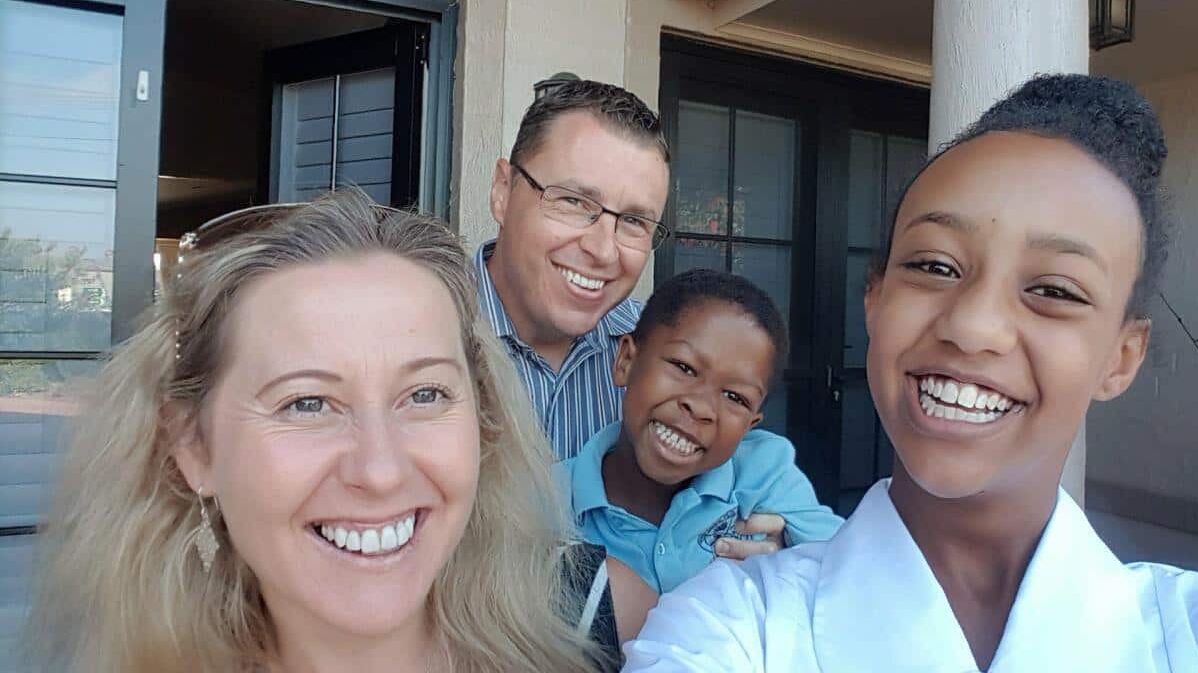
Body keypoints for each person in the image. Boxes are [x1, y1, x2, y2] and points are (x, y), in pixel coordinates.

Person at [622, 75, 1198, 672]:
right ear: (874, 298)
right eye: (935, 266)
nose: (973, 325)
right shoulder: (729, 625)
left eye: (1054, 289)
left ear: (1121, 357)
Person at [24, 191, 605, 673]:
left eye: (424, 394)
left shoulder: (599, 627)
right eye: (307, 403)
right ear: (194, 447)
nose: (380, 471)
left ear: (483, 419)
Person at [480, 78, 785, 558]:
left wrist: (759, 540)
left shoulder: (664, 349)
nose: (603, 251)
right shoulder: (420, 336)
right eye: (574, 201)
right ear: (502, 191)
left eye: (634, 223)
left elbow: (721, 487)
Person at [560, 269, 844, 642]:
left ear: (750, 424)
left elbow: (852, 579)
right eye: (683, 367)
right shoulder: (548, 502)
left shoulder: (761, 474)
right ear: (626, 360)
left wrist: (790, 565)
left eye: (734, 397)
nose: (701, 407)